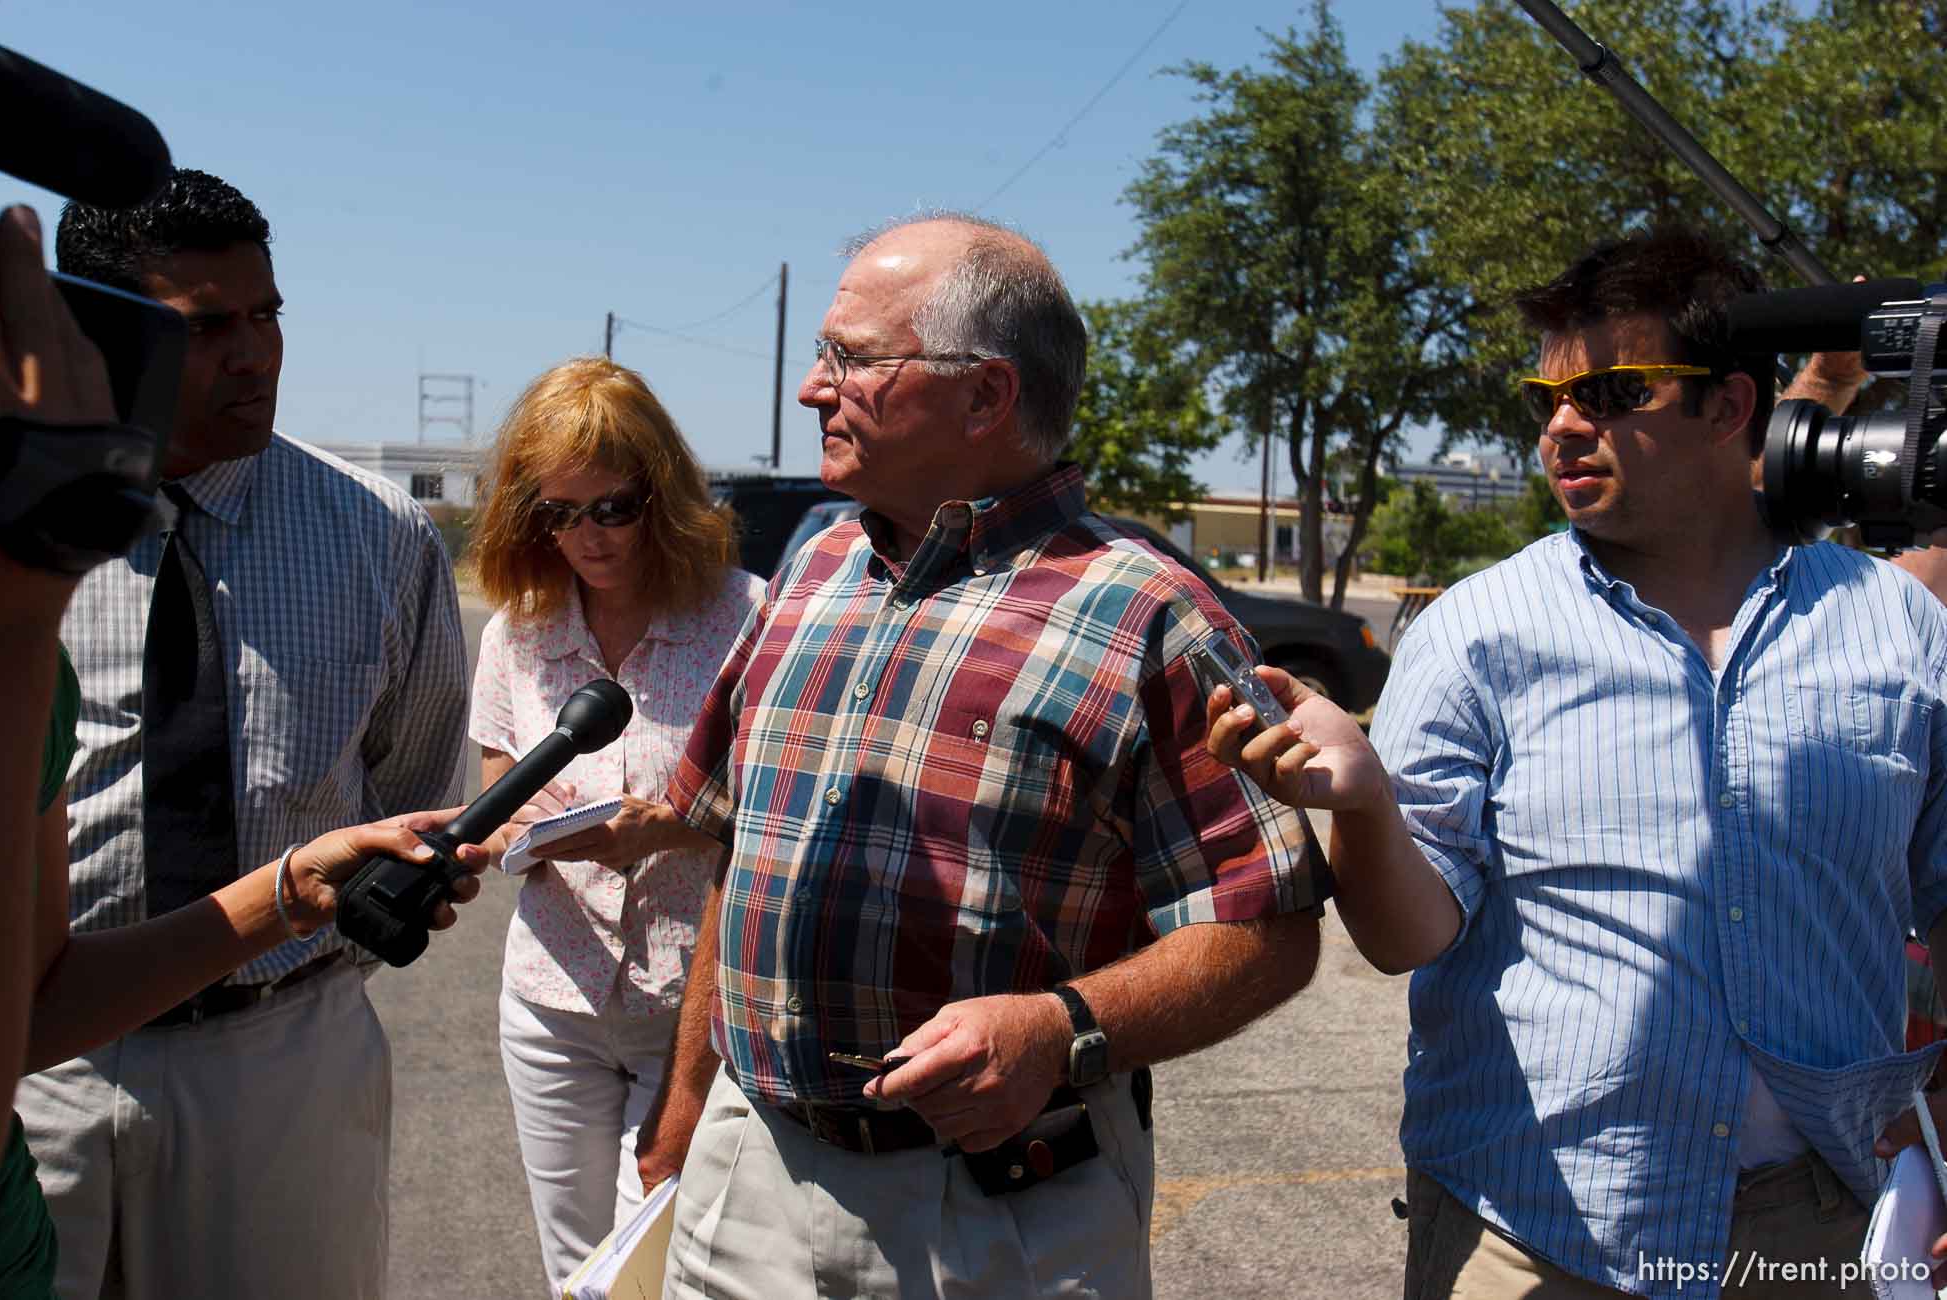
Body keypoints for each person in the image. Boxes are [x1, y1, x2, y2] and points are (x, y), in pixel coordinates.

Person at [1207, 226, 1947, 1299]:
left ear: (1732, 405)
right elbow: (1407, 935)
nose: (1564, 424)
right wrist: (1363, 804)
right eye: (1549, 397)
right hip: (1534, 1229)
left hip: (1813, 1224)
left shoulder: (1896, 629)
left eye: (1612, 391)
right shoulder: (1476, 630)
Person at [615, 213, 1329, 1299]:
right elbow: (737, 850)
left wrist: (1062, 1026)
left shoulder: (1152, 617)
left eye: (851, 359)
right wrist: (683, 1113)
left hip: (996, 1218)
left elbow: (1267, 930)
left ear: (986, 394)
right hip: (744, 1177)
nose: (815, 388)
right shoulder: (815, 571)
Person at [14, 169, 469, 1300]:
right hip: (38, 1066)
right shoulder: (18, 531)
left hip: (279, 1061)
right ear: (98, 327)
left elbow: (408, 790)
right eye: (206, 326)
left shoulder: (376, 535)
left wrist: (293, 979)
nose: (254, 353)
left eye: (266, 315)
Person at [463, 357, 759, 1292]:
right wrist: (523, 834)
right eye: (559, 512)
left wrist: (664, 829)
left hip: (692, 1007)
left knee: (667, 1271)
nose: (586, 537)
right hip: (552, 999)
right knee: (575, 1271)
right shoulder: (519, 627)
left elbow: (776, 812)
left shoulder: (747, 620)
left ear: (661, 495)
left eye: (611, 509)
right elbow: (497, 795)